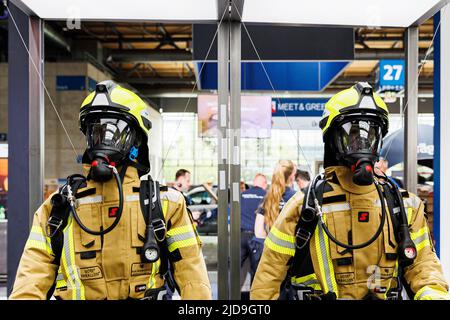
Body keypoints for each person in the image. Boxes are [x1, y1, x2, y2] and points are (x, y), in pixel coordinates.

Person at [9, 81, 211, 300]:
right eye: (96, 128)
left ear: (137, 139)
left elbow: (193, 278)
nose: (104, 138)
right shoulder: (58, 208)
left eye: (115, 127)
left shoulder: (165, 204)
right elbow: (29, 282)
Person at [251, 82, 450, 300]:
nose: (362, 143)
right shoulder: (305, 205)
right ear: (332, 140)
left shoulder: (404, 206)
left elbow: (424, 268)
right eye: (351, 134)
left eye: (370, 132)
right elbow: (268, 277)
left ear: (379, 139)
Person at [250, 160, 296, 285]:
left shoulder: (268, 198)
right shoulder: (297, 198)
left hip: (271, 257)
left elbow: (259, 232)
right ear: (292, 176)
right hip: (292, 259)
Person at [240, 174, 267, 290]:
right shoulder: (266, 196)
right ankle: (254, 297)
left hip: (240, 236)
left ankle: (230, 297)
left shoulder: (242, 195)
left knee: (235, 269)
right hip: (257, 238)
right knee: (256, 271)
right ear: (264, 184)